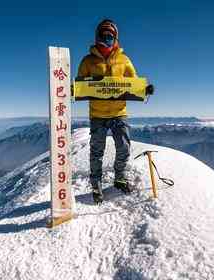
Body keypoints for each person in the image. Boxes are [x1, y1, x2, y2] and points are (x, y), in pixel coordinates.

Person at [77, 19, 137, 204]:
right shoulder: (88, 61)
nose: (107, 38)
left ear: (115, 37)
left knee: (124, 148)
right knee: (97, 151)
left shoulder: (124, 60)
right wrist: (75, 89)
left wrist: (144, 89)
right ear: (97, 36)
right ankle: (96, 185)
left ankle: (119, 178)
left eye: (110, 35)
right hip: (98, 114)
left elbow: (133, 82)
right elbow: (81, 84)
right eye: (103, 35)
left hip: (119, 112)